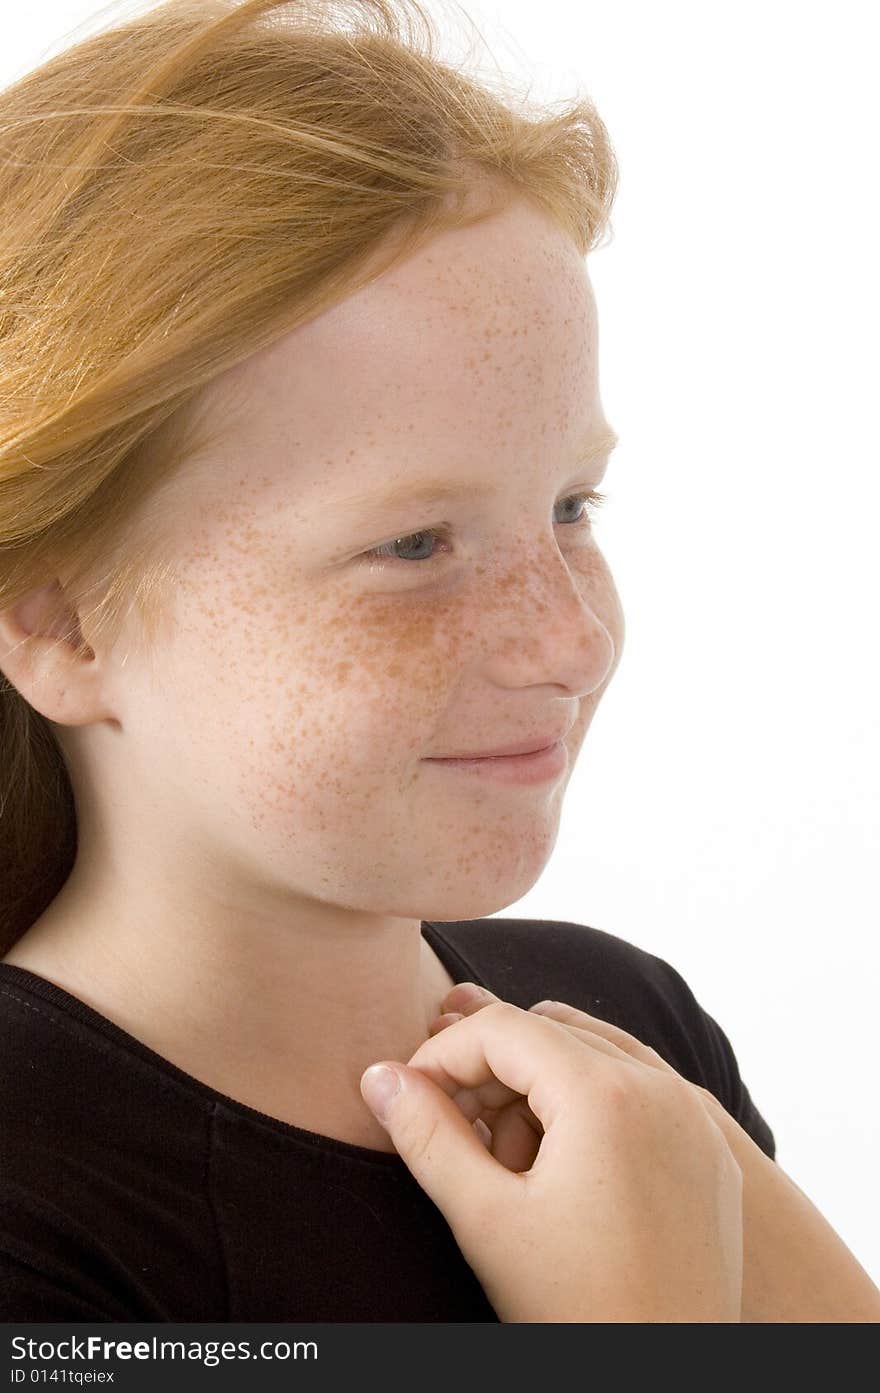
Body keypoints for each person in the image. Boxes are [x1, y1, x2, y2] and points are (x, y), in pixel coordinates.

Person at [0, 0, 877, 1323]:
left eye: (573, 507)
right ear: (63, 626)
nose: (569, 638)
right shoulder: (33, 1215)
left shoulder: (626, 1040)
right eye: (414, 544)